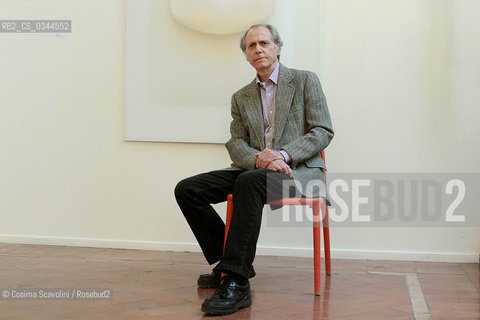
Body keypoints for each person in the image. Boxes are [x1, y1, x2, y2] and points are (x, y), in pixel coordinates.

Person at [174, 24, 334, 315]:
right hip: (255, 170)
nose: (258, 49)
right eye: (251, 46)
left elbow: (323, 130)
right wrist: (261, 158)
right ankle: (229, 261)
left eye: (264, 42)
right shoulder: (241, 97)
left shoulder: (304, 81)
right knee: (188, 189)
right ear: (246, 56)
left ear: (277, 47)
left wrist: (283, 155)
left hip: (299, 175)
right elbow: (236, 142)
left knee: (249, 182)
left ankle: (236, 282)